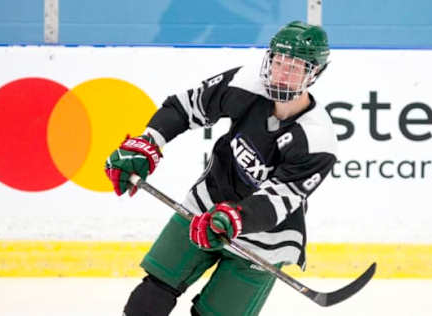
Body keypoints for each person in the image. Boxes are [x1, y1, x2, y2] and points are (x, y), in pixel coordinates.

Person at [105, 20, 338, 316]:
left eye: (294, 66)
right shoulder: (246, 83)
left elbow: (281, 199)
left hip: (265, 240)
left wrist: (236, 218)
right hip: (206, 205)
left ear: (314, 73)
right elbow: (184, 107)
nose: (282, 72)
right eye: (278, 61)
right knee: (150, 297)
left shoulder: (318, 139)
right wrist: (149, 141)